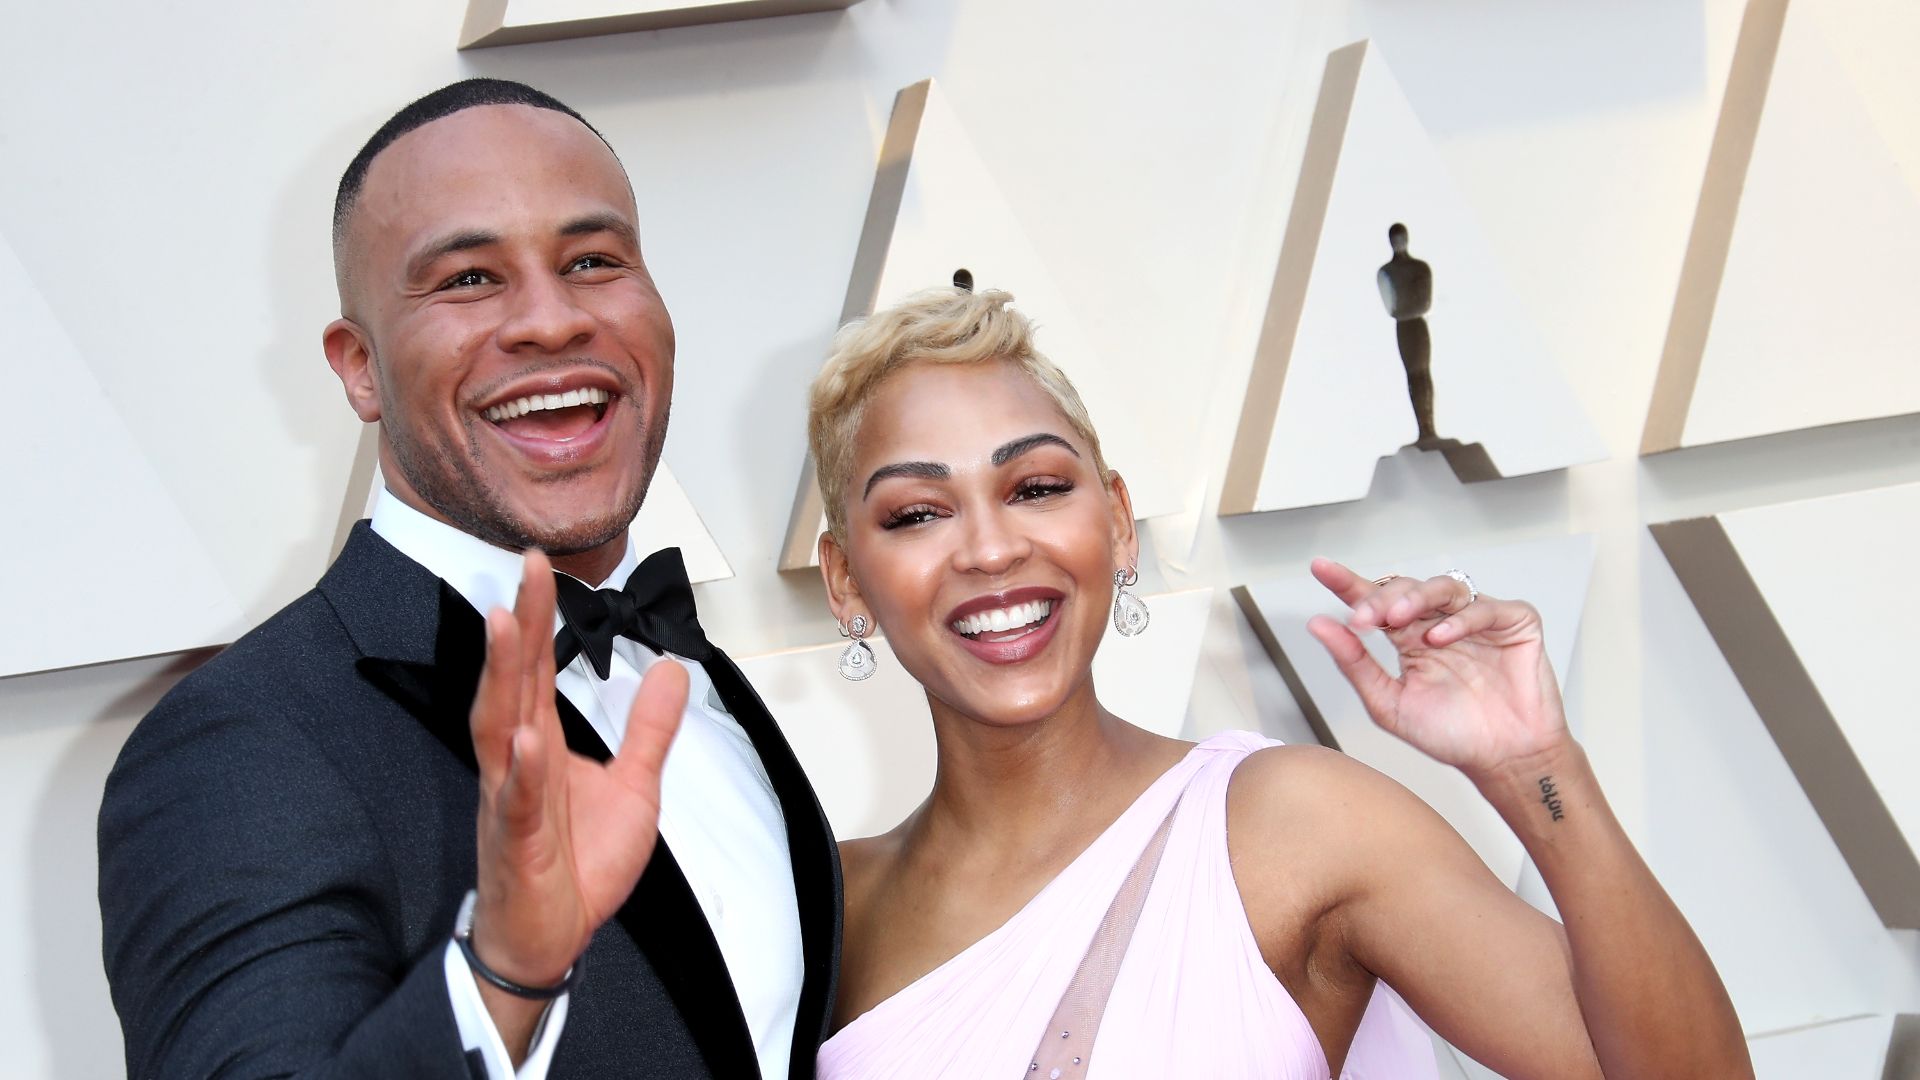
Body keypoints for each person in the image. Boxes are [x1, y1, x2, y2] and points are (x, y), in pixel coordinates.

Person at [805, 286, 1752, 1078]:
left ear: (1119, 524)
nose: (991, 548)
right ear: (846, 579)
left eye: (1037, 488)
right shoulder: (823, 906)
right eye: (918, 513)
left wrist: (1538, 769)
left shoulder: (1290, 826)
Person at [97, 79, 839, 1079]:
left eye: (592, 260)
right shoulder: (242, 744)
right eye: (468, 279)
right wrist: (503, 979)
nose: (551, 321)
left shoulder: (690, 673)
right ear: (359, 367)